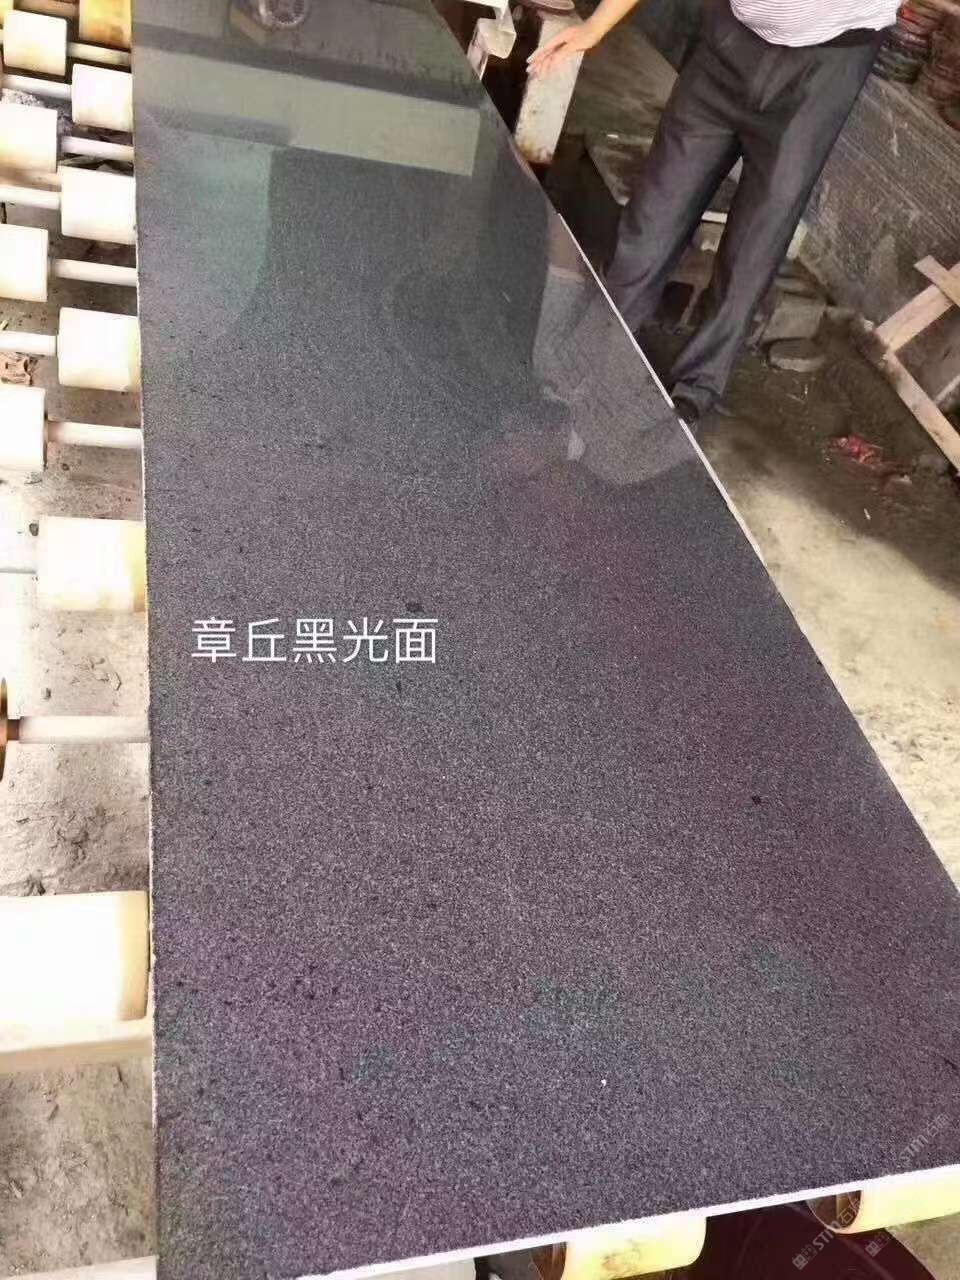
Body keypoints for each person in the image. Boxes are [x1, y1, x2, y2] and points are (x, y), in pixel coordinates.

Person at [529, 0, 899, 426]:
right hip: (729, 40)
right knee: (652, 219)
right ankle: (596, 352)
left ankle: (697, 387)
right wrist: (597, 26)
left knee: (755, 246)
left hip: (827, 65)